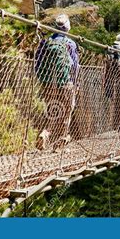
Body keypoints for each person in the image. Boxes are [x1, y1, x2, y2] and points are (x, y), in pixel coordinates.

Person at [34, 14, 79, 151]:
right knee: (66, 113)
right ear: (68, 27)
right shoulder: (70, 44)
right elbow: (75, 66)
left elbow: (37, 61)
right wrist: (75, 84)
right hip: (65, 83)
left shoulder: (46, 42)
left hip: (48, 83)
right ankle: (60, 144)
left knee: (53, 111)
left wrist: (42, 79)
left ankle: (45, 133)